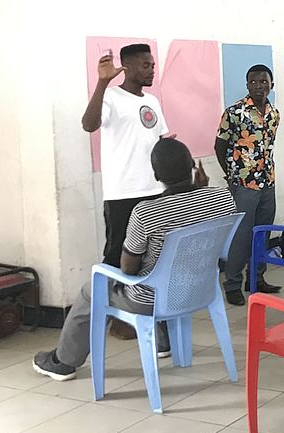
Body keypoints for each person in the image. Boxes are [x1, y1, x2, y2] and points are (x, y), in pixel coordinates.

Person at [32, 139, 235, 381]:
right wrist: (202, 189)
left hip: (152, 299)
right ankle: (163, 343)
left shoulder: (146, 212)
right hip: (200, 290)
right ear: (193, 165)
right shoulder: (222, 198)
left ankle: (63, 362)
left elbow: (128, 269)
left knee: (93, 289)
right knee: (157, 278)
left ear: (155, 174)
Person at [82, 43, 173, 339]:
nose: (151, 70)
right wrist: (102, 82)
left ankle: (145, 310)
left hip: (155, 188)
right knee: (117, 254)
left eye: (153, 65)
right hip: (122, 192)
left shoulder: (153, 101)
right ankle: (114, 316)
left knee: (152, 256)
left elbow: (161, 140)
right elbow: (88, 124)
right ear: (128, 67)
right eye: (145, 65)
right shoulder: (110, 96)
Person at [216, 64, 282, 306]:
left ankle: (256, 279)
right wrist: (232, 176)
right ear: (247, 85)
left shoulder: (274, 114)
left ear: (271, 85)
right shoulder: (234, 112)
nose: (259, 86)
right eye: (253, 82)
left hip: (268, 182)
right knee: (241, 236)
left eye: (263, 81)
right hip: (244, 184)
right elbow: (219, 147)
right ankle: (232, 284)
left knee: (262, 233)